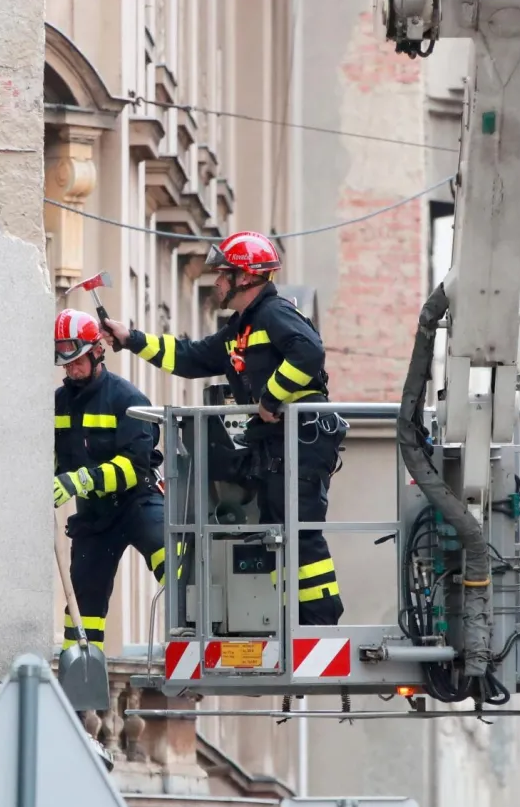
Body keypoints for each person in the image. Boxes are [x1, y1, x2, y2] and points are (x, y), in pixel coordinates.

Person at [102, 231, 345, 626]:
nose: (216, 281)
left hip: (303, 442)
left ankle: (318, 623)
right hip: (278, 446)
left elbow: (310, 352)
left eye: (223, 274)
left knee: (299, 535)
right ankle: (292, 621)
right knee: (277, 533)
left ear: (246, 277)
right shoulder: (240, 329)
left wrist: (271, 398)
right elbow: (189, 357)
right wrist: (131, 339)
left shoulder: (274, 313)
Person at [53, 307, 167, 654]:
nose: (72, 369)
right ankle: (81, 682)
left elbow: (135, 466)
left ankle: (193, 635)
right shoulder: (59, 403)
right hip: (95, 516)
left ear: (97, 352)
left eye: (78, 361)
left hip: (137, 503)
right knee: (82, 606)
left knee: (176, 560)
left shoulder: (127, 399)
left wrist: (77, 482)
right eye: (66, 363)